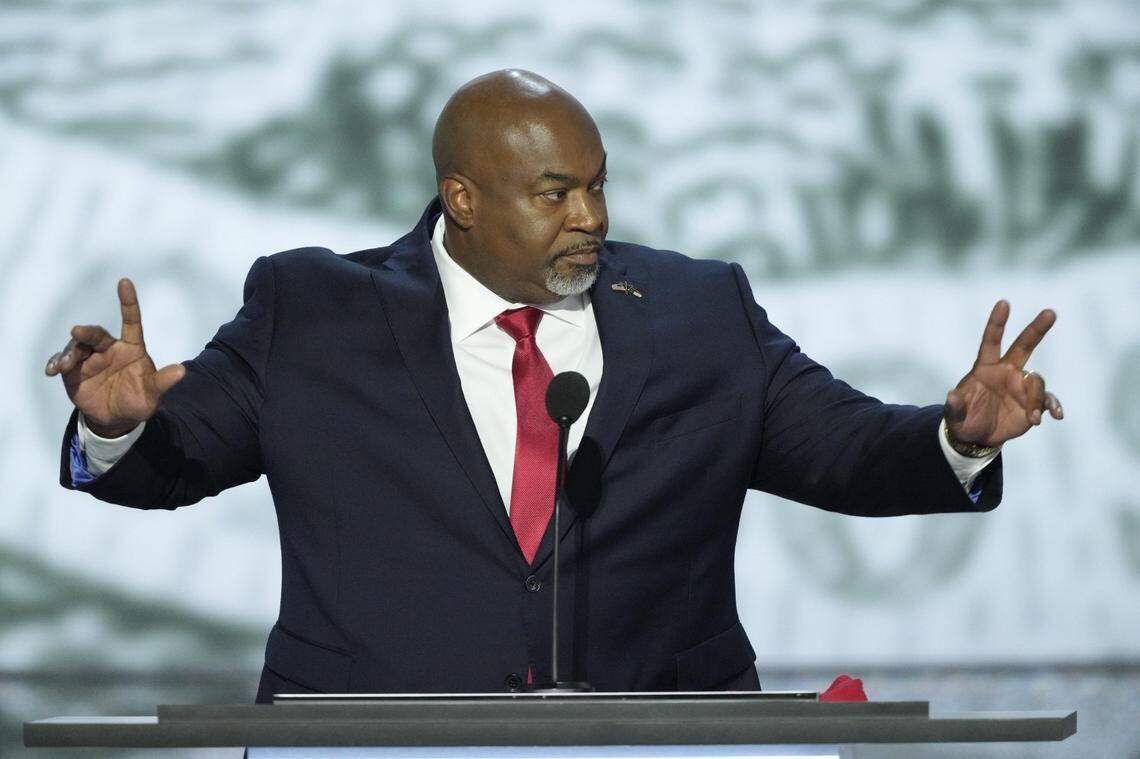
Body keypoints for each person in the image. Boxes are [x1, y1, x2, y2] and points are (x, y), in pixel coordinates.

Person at [44, 70, 1062, 698]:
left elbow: (843, 451)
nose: (591, 216)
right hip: (370, 742)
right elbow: (179, 464)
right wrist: (119, 430)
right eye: (555, 192)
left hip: (658, 736)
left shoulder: (700, 310)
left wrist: (956, 436)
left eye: (598, 183)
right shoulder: (314, 310)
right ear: (463, 198)